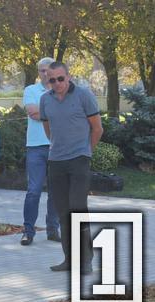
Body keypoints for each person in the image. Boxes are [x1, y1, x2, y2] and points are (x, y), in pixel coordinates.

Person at [40, 61, 103, 275]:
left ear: (69, 77)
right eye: (52, 80)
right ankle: (69, 258)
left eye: (60, 78)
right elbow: (48, 130)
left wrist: (86, 152)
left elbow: (97, 129)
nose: (57, 83)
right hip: (56, 161)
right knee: (63, 212)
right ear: (47, 80)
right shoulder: (44, 100)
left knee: (78, 209)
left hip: (79, 160)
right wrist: (58, 148)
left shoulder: (84, 95)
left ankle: (86, 261)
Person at [20, 57, 61, 246]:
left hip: (57, 146)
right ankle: (28, 231)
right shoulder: (31, 90)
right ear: (38, 72)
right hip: (36, 147)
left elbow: (42, 113)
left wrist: (44, 112)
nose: (45, 74)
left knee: (55, 191)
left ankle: (53, 229)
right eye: (42, 70)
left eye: (48, 70)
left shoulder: (61, 90)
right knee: (34, 190)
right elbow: (33, 113)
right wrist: (56, 113)